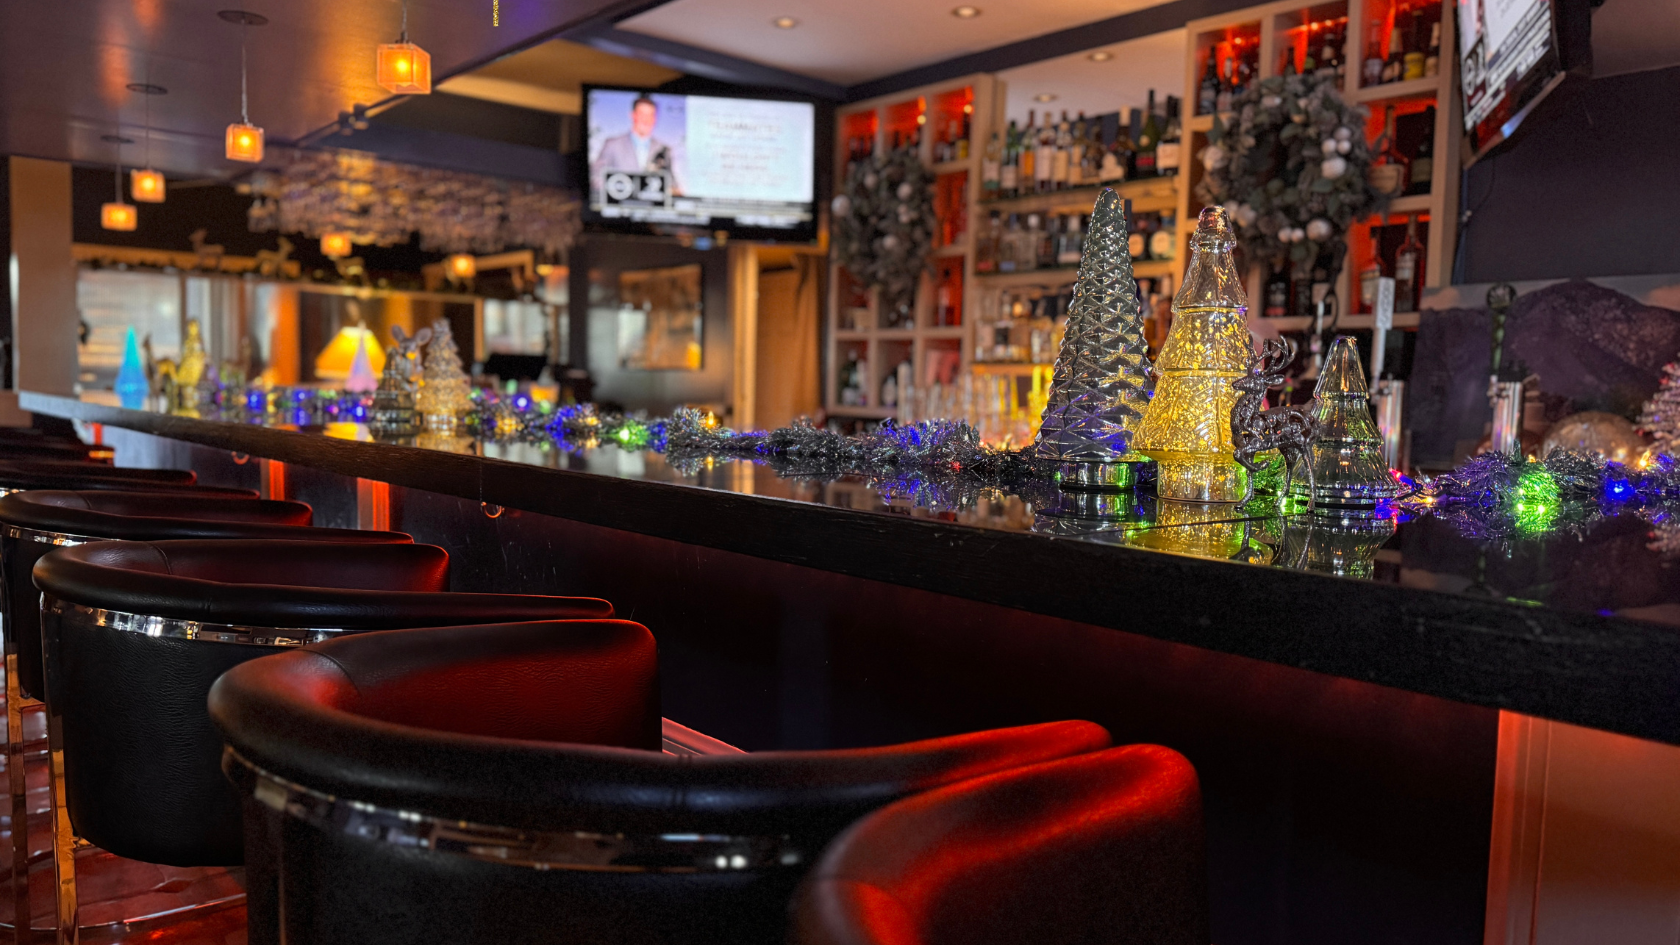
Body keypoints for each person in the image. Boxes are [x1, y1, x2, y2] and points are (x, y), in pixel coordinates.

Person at [591, 95, 686, 198]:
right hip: (619, 205)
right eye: (642, 114)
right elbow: (595, 177)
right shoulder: (612, 145)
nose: (646, 120)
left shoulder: (664, 150)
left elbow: (673, 185)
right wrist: (618, 191)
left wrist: (672, 191)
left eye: (650, 115)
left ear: (655, 118)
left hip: (652, 206)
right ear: (633, 115)